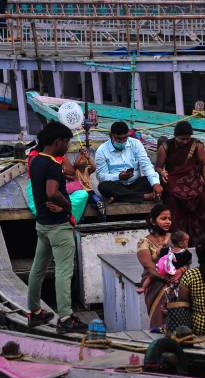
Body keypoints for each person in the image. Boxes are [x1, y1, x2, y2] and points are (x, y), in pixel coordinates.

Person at [26, 121, 87, 332]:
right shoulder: (52, 164)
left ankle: (34, 312)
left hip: (42, 224)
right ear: (58, 141)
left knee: (38, 269)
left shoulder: (35, 160)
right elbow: (52, 191)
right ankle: (66, 317)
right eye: (67, 142)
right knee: (64, 271)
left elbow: (42, 193)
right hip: (59, 227)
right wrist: (67, 204)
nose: (68, 146)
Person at [156, 121, 205, 243]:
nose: (185, 142)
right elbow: (158, 167)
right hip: (174, 179)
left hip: (192, 179)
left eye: (188, 139)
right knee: (171, 201)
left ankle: (202, 234)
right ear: (175, 136)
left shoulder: (197, 145)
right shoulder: (165, 147)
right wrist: (162, 172)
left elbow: (204, 164)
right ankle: (178, 235)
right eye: (182, 139)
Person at [137, 205, 187, 329]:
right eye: (163, 218)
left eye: (169, 218)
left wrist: (180, 271)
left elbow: (185, 260)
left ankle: (181, 332)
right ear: (153, 221)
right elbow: (149, 266)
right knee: (159, 315)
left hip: (177, 279)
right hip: (155, 281)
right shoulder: (144, 242)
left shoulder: (175, 238)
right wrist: (166, 279)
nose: (168, 221)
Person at [95, 121, 163, 203]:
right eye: (118, 139)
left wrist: (155, 184)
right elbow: (101, 176)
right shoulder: (101, 150)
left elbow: (146, 165)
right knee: (103, 186)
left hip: (136, 184)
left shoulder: (136, 144)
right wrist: (118, 177)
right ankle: (144, 196)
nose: (122, 141)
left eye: (125, 138)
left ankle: (119, 197)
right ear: (111, 136)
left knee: (157, 178)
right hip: (116, 185)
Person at [72, 147, 106, 221]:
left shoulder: (87, 170)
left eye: (84, 160)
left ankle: (102, 223)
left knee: (100, 204)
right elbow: (76, 164)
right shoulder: (75, 170)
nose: (82, 161)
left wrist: (88, 157)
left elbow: (94, 166)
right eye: (81, 159)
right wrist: (81, 154)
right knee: (80, 210)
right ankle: (80, 225)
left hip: (89, 192)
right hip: (79, 193)